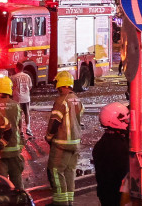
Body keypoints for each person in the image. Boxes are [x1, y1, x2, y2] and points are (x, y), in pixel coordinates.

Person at [46, 71, 83, 206]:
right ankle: (69, 202)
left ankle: (60, 203)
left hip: (61, 143)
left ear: (61, 85)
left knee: (55, 171)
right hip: (75, 143)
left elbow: (55, 121)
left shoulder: (61, 100)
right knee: (69, 172)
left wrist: (49, 137)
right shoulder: (77, 99)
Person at [92, 103, 130, 206]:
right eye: (125, 120)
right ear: (115, 121)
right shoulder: (118, 146)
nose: (127, 123)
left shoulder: (102, 144)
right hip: (117, 195)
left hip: (106, 193)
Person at [0, 76, 25, 189]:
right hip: (15, 150)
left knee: (2, 186)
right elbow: (19, 126)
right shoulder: (16, 105)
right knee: (18, 184)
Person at [11, 64, 34, 137]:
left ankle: (21, 132)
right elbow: (30, 87)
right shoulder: (27, 76)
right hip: (26, 98)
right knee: (27, 113)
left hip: (18, 98)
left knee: (19, 115)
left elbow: (11, 88)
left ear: (16, 69)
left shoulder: (13, 77)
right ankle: (28, 128)